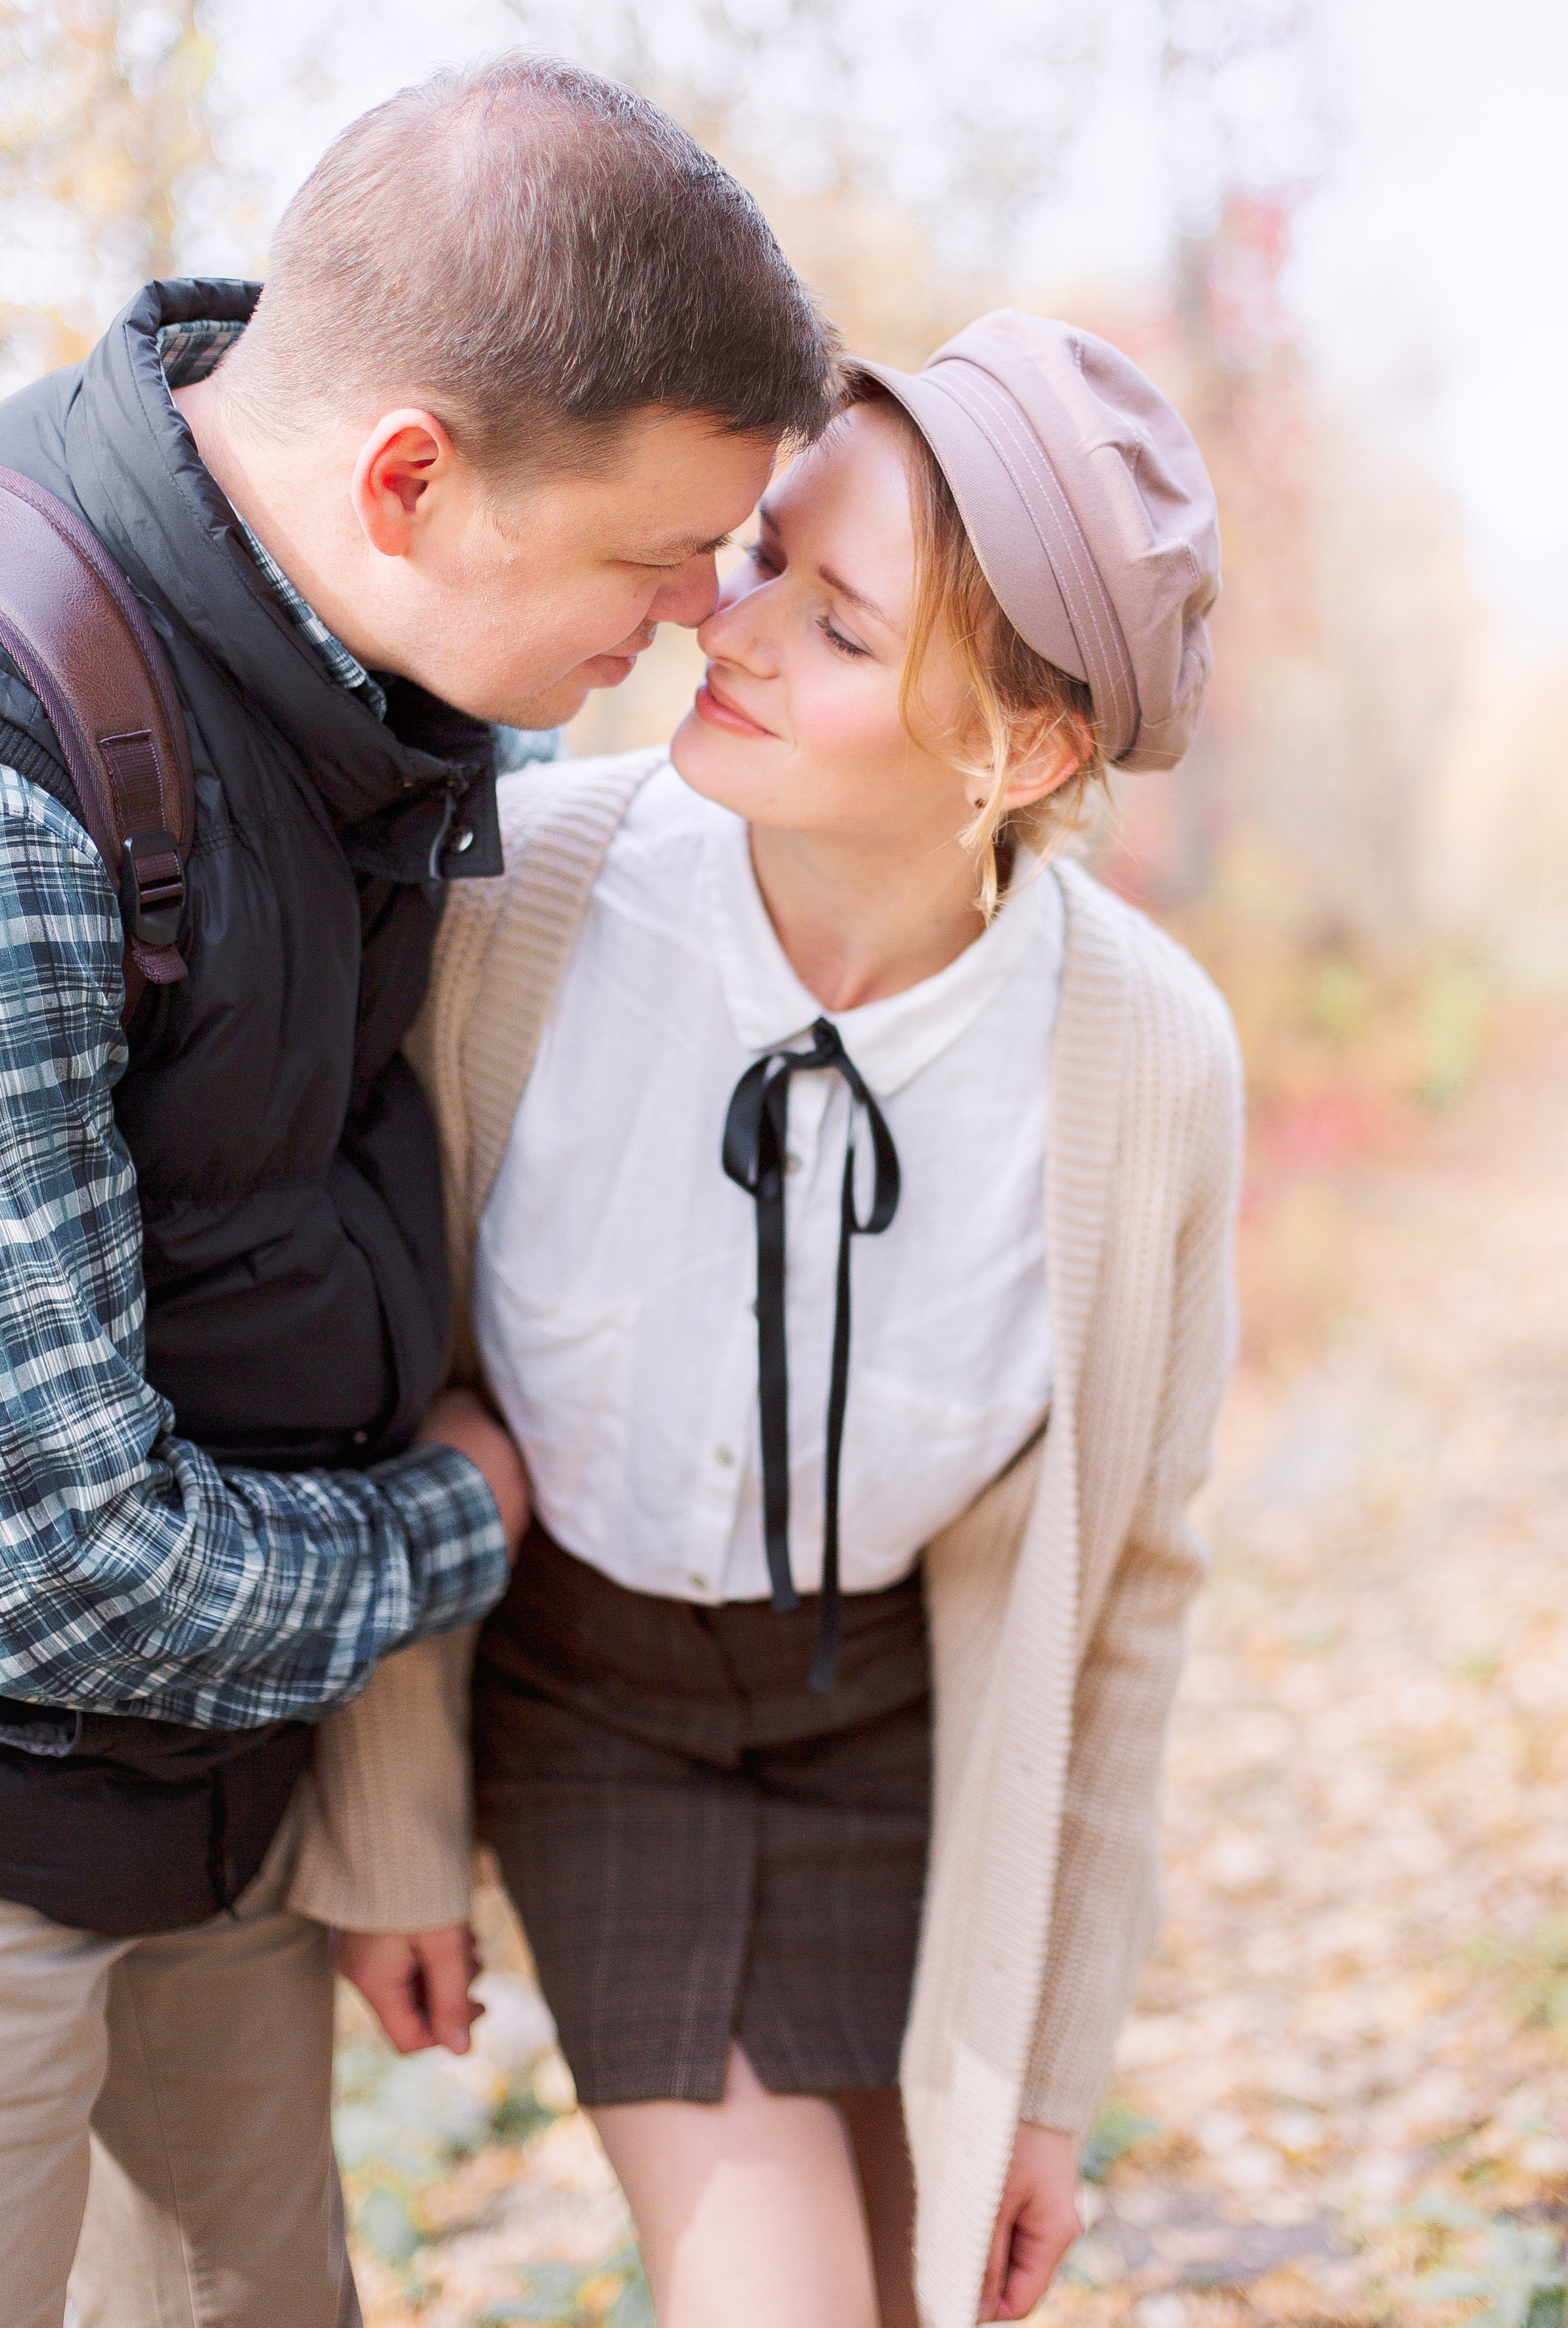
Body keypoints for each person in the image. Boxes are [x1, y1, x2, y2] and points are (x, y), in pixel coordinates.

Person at [0, 53, 838, 2328]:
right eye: (657, 557)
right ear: (408, 479)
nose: (701, 615)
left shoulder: (390, 678)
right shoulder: (30, 756)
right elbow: (54, 1566)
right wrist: (465, 1514)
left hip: (215, 1809)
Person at [317, 311, 1243, 2327]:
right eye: (763, 559)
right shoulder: (517, 901)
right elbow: (379, 1379)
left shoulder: (1147, 1062)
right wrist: (388, 1826)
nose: (721, 631)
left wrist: (1051, 2077)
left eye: (835, 624)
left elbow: (1129, 1589)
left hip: (914, 1740)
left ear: (1022, 752)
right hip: (599, 1714)